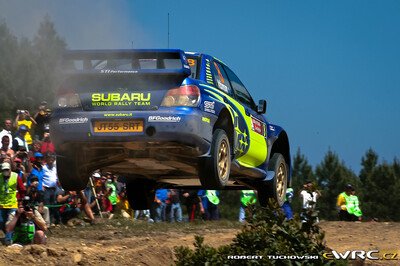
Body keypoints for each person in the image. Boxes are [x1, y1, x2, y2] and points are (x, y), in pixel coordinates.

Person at [0, 162, 19, 245]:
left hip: (12, 204)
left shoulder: (16, 176)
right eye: (4, 170)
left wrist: (20, 200)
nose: (6, 171)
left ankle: (8, 240)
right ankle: (6, 236)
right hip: (1, 204)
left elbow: (21, 189)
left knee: (9, 222)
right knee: (1, 221)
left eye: (7, 170)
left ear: (10, 169)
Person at [42, 153, 60, 225]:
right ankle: (46, 221)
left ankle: (52, 220)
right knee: (47, 205)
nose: (51, 161)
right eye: (50, 159)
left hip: (54, 188)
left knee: (53, 204)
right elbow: (41, 177)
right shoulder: (44, 168)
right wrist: (42, 186)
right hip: (46, 189)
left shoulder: (55, 169)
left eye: (53, 159)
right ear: (47, 159)